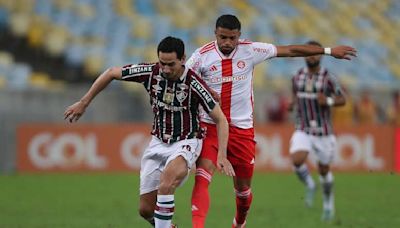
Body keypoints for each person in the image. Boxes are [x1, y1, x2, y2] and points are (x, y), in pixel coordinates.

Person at [186, 14, 356, 228]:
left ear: (239, 36)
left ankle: (239, 223)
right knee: (202, 176)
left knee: (243, 192)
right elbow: (184, 79)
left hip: (241, 131)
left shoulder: (251, 50)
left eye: (232, 38)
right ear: (215, 33)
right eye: (222, 37)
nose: (227, 42)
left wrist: (328, 51)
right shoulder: (201, 56)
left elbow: (291, 50)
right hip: (210, 125)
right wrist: (206, 90)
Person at [64, 36, 235, 228]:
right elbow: (111, 72)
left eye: (171, 64)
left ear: (182, 59)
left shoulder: (194, 83)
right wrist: (84, 102)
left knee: (166, 184)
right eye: (162, 63)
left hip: (186, 142)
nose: (166, 69)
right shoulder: (150, 72)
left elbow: (220, 119)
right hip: (157, 142)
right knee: (145, 210)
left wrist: (221, 154)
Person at [288, 40, 346, 221]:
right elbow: (294, 96)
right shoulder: (297, 76)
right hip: (303, 128)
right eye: (308, 53)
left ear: (320, 56)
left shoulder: (328, 77)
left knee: (324, 170)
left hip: (324, 132)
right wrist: (292, 104)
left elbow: (342, 99)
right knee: (297, 159)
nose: (311, 56)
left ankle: (328, 205)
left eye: (314, 53)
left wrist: (328, 101)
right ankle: (310, 185)